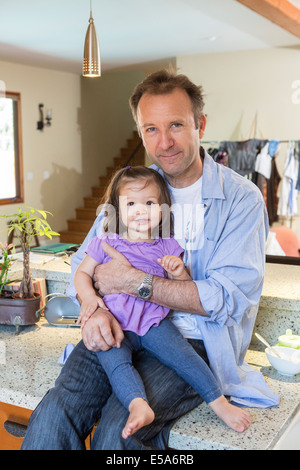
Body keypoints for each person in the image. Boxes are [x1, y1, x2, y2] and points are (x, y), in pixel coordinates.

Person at [21, 69, 279, 451]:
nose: (165, 142)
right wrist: (93, 309)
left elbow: (226, 300)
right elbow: (83, 263)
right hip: (119, 324)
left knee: (116, 430)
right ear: (141, 133)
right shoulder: (134, 190)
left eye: (176, 124)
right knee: (55, 411)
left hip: (191, 341)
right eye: (151, 129)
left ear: (200, 124)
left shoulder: (242, 200)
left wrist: (132, 282)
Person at [74, 166, 251, 439]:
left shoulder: (167, 244)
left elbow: (184, 291)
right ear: (117, 209)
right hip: (116, 324)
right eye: (131, 203)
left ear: (163, 208)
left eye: (149, 203)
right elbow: (82, 273)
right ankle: (138, 405)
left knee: (184, 357)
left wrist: (179, 271)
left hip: (155, 323)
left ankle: (219, 403)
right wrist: (89, 299)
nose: (140, 210)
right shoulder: (106, 241)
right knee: (116, 363)